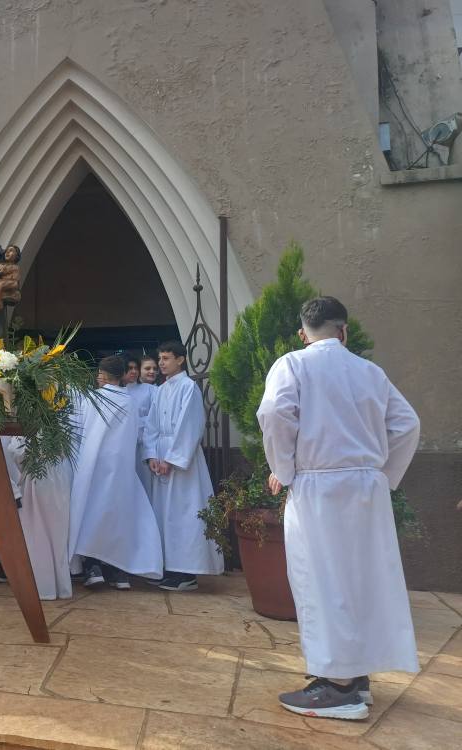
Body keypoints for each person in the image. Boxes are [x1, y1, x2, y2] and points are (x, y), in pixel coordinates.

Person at [258, 297, 420, 721]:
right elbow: (407, 424)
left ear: (302, 333)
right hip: (366, 489)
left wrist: (284, 468)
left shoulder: (293, 364)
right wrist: (383, 475)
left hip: (319, 487)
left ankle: (338, 688)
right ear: (343, 331)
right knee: (361, 580)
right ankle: (356, 676)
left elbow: (275, 412)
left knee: (323, 580)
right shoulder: (370, 372)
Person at [69, 356, 163, 589]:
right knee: (120, 514)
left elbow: (79, 428)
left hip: (93, 465)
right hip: (121, 466)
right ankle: (118, 571)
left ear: (102, 374)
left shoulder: (92, 398)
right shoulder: (129, 401)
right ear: (122, 375)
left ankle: (93, 566)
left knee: (91, 513)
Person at [142, 341, 223, 591]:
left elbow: (191, 426)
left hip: (182, 462)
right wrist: (153, 455)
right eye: (160, 358)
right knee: (164, 514)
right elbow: (151, 426)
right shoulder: (160, 390)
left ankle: (188, 572)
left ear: (181, 360)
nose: (162, 363)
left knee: (184, 514)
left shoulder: (189, 388)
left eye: (166, 358)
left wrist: (172, 459)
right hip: (162, 457)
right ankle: (170, 567)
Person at [5, 438, 73, 600]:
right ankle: (60, 586)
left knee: (35, 535)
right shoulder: (59, 428)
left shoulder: (26, 432)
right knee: (56, 536)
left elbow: (17, 453)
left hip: (35, 479)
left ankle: (41, 587)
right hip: (58, 478)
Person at [120, 352, 158, 499]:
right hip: (123, 446)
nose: (134, 371)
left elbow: (156, 419)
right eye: (129, 368)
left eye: (136, 368)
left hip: (143, 445)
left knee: (145, 486)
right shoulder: (117, 392)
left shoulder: (151, 390)